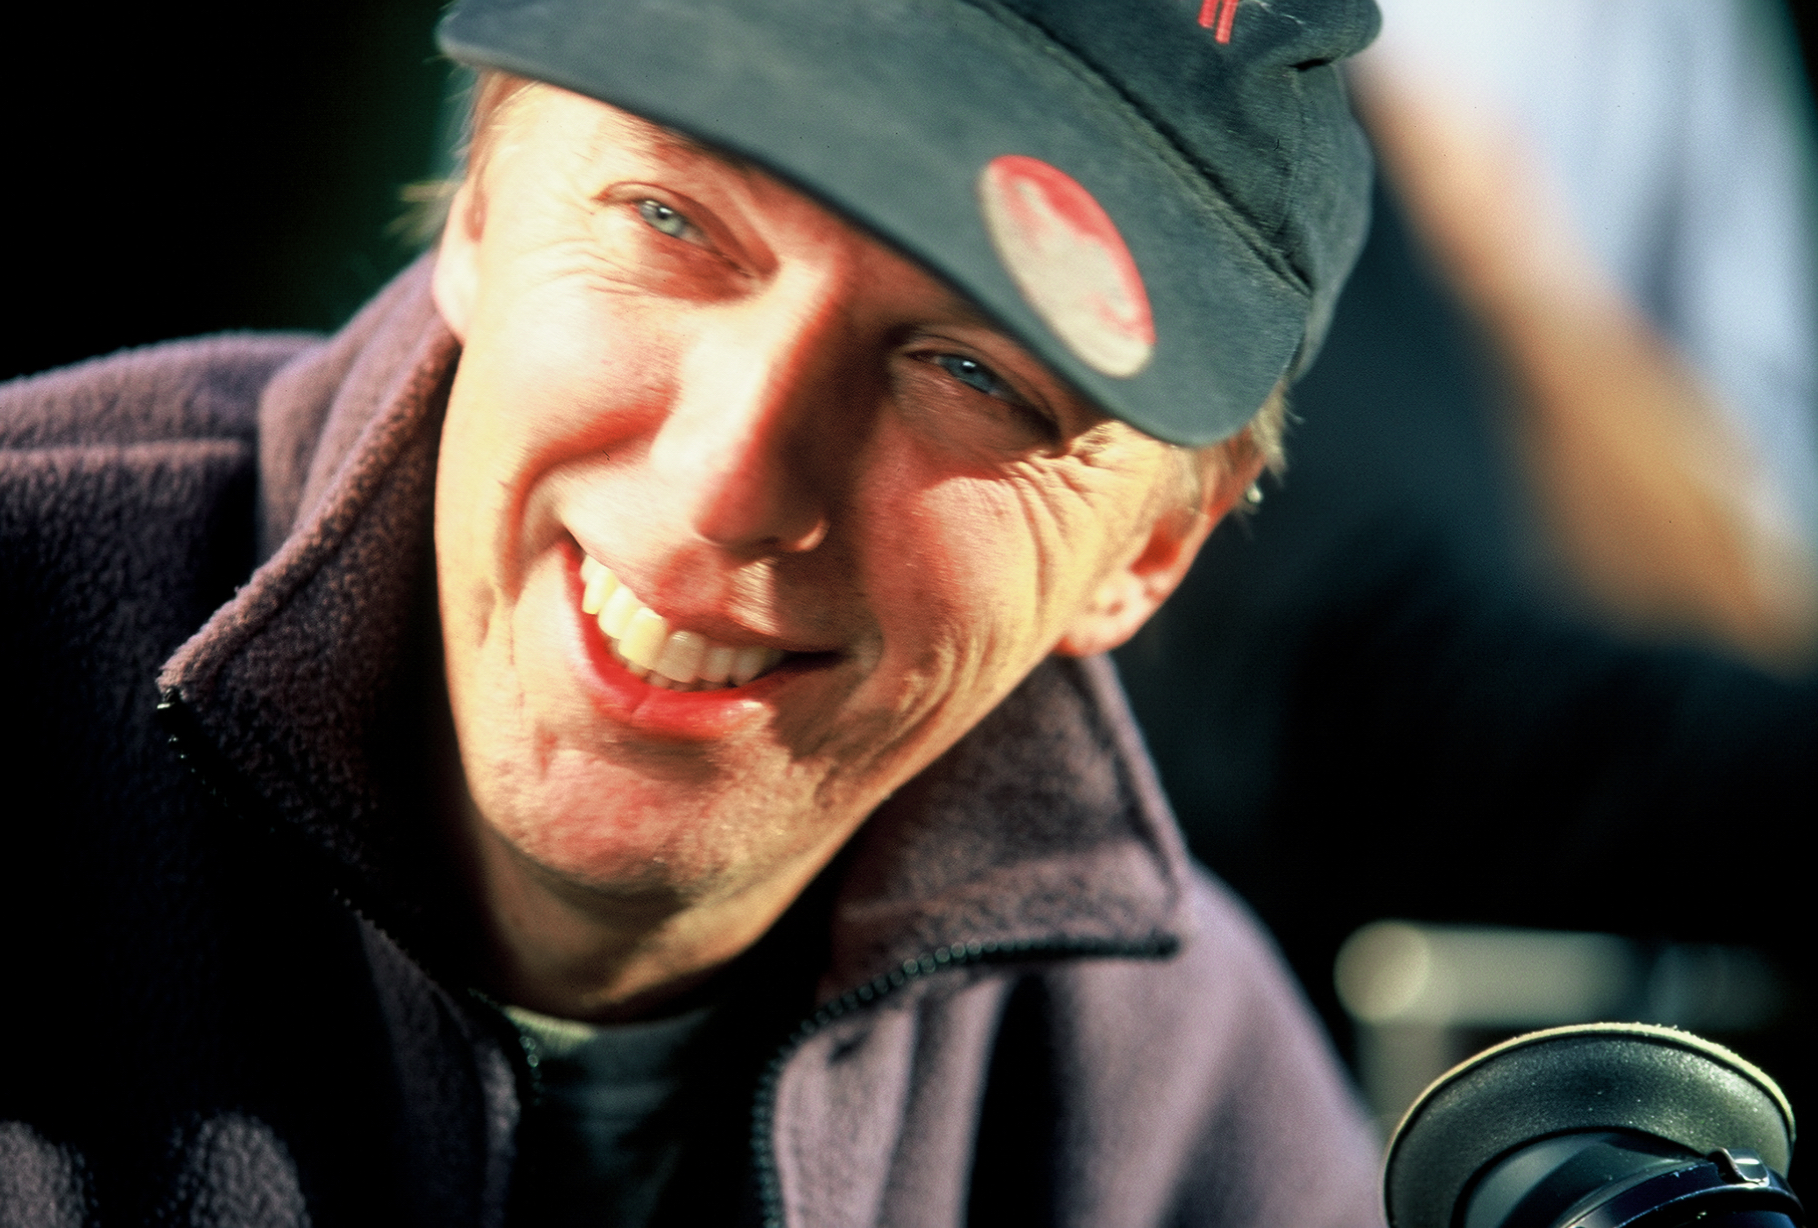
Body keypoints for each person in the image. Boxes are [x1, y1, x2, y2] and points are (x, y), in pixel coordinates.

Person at [0, 1, 1387, 1225]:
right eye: (671, 220)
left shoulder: (1186, 1104)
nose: (729, 483)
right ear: (481, 200)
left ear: (1148, 548)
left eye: (976, 372)